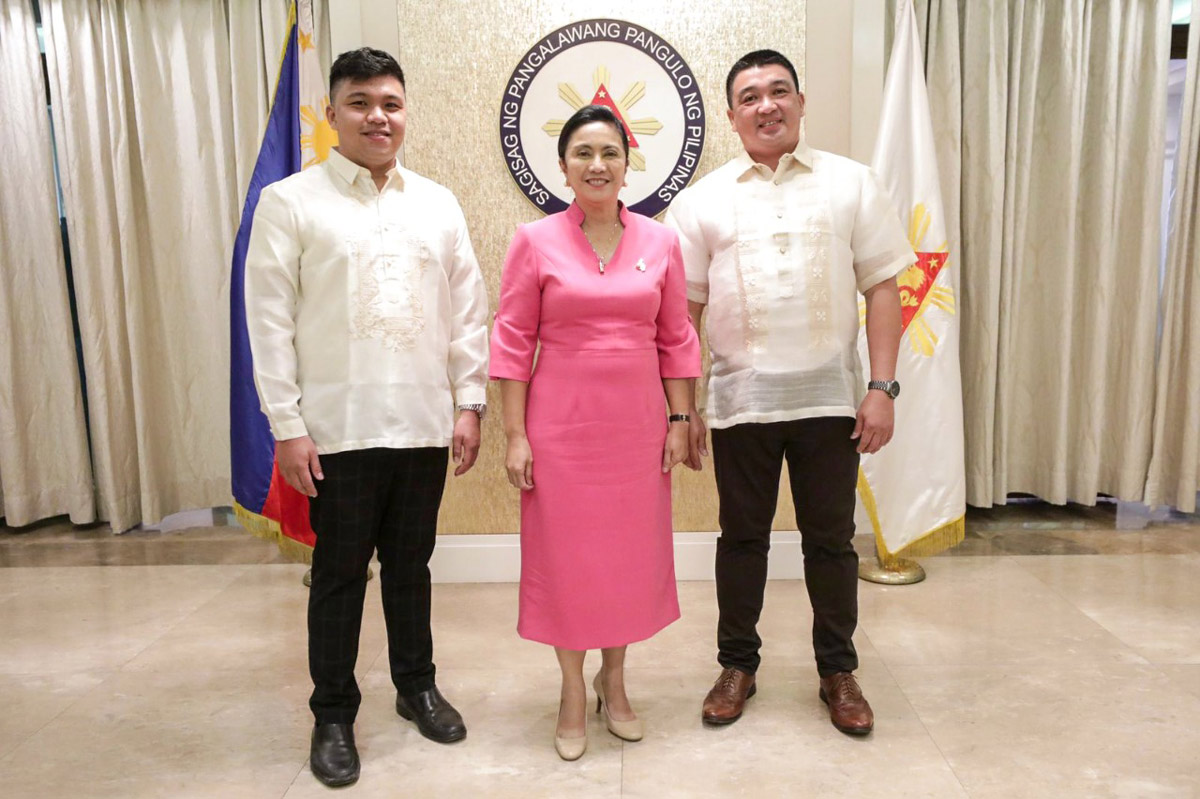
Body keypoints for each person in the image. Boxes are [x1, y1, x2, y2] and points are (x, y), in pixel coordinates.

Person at [244, 48, 489, 787]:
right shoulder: (291, 201)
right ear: (331, 113)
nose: (377, 116)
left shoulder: (438, 202)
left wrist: (469, 401)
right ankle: (333, 712)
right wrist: (286, 422)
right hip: (336, 432)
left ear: (405, 112)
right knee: (339, 574)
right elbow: (268, 318)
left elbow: (467, 311)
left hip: (420, 425)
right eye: (360, 102)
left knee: (411, 568)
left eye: (390, 102)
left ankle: (416, 686)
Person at [665, 49, 912, 736]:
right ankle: (737, 664)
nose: (766, 105)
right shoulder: (702, 200)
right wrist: (681, 410)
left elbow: (882, 288)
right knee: (741, 538)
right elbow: (681, 317)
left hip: (832, 402)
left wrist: (882, 386)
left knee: (830, 541)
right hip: (741, 403)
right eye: (750, 96)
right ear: (732, 113)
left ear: (801, 102)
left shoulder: (852, 184)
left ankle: (838, 669)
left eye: (779, 92)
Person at [490, 105, 701, 761]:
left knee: (626, 561)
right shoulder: (534, 239)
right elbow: (512, 341)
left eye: (610, 152)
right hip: (560, 429)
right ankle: (571, 689)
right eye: (583, 153)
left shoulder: (661, 243)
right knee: (567, 562)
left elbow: (677, 340)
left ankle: (615, 677)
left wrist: (680, 419)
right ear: (562, 167)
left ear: (628, 164)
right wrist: (516, 435)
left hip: (637, 430)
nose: (597, 164)